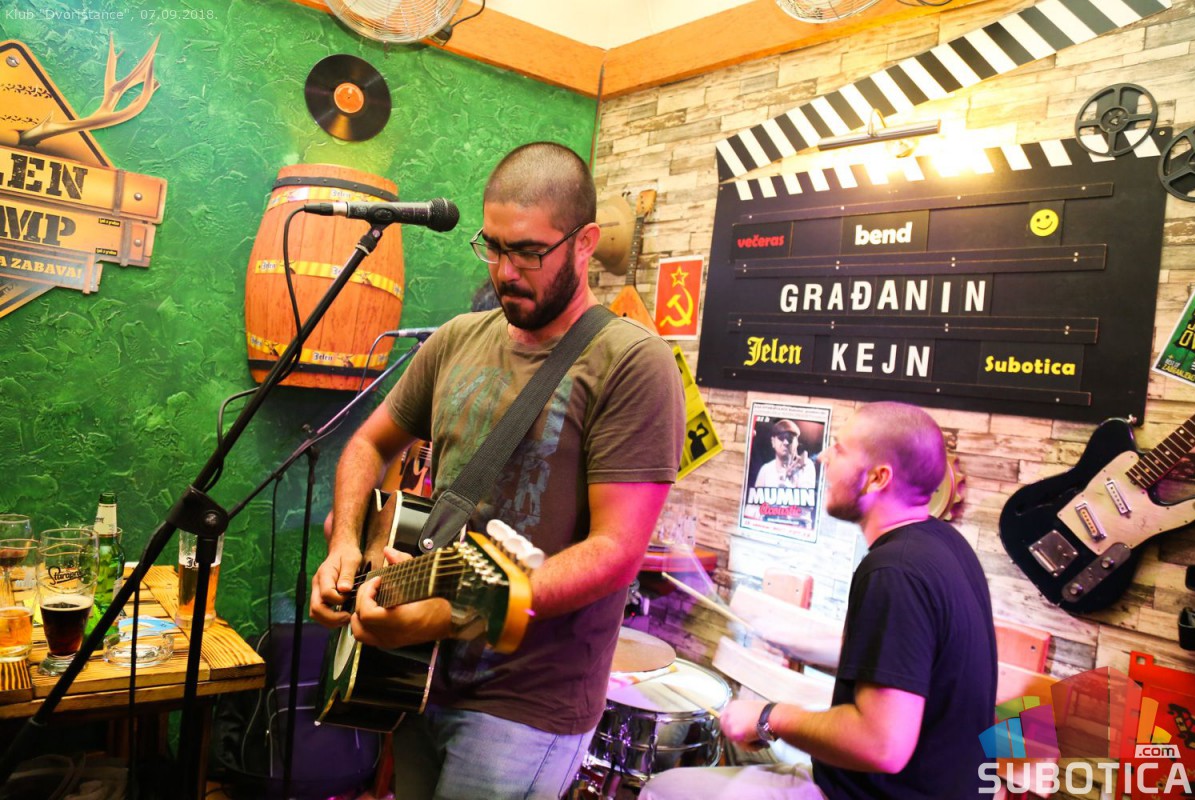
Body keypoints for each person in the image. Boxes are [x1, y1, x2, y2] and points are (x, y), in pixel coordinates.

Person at [309, 141, 686, 800]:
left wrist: (446, 614)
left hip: (525, 706)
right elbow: (369, 444)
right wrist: (346, 544)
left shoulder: (632, 363)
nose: (507, 271)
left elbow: (616, 552)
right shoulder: (456, 338)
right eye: (494, 247)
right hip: (418, 677)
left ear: (585, 242)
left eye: (529, 252)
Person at [643, 401, 997, 800]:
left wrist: (768, 717)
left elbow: (881, 745)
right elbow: (903, 661)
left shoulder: (893, 572)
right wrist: (796, 642)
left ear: (878, 478)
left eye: (840, 449)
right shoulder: (944, 545)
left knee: (663, 789)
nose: (822, 456)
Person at [755, 419, 816, 489]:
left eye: (790, 438)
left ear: (797, 443)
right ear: (773, 442)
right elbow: (756, 495)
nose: (786, 443)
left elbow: (807, 494)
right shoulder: (765, 470)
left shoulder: (806, 466)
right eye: (781, 438)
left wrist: (790, 481)